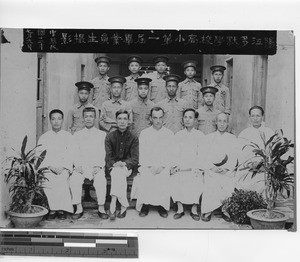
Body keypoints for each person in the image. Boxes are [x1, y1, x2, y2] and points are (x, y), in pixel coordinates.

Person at [131, 107, 173, 218]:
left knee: (163, 177)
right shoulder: (145, 133)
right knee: (146, 175)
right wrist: (150, 166)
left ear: (163, 118)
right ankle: (145, 204)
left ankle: (162, 206)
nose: (158, 121)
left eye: (160, 118)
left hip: (163, 166)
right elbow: (142, 153)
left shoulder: (169, 134)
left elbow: (170, 153)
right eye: (155, 118)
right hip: (148, 165)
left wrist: (162, 166)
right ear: (151, 118)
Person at [69, 107, 108, 220]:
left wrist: (99, 166)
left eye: (91, 116)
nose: (89, 119)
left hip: (96, 166)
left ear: (95, 118)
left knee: (101, 180)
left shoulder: (101, 135)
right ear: (83, 118)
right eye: (86, 116)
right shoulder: (77, 135)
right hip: (82, 166)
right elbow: (74, 152)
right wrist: (77, 166)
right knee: (74, 179)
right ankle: (78, 207)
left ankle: (101, 207)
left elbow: (103, 152)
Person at [200, 112, 239, 222]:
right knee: (211, 181)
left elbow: (234, 156)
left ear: (227, 123)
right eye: (220, 121)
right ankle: (208, 210)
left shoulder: (232, 138)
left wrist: (227, 168)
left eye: (224, 121)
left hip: (226, 170)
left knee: (228, 181)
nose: (222, 124)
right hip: (212, 169)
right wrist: (212, 168)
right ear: (216, 122)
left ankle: (225, 209)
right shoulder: (209, 138)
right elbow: (205, 155)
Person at [38, 109, 74, 220]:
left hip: (63, 168)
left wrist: (63, 167)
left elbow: (71, 154)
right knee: (49, 179)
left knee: (62, 179)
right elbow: (40, 155)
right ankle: (52, 209)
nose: (56, 121)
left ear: (62, 120)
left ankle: (61, 209)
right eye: (53, 119)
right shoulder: (44, 137)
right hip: (48, 168)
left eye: (59, 119)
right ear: (50, 120)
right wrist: (50, 166)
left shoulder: (68, 136)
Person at [170, 108, 205, 221]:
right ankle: (180, 209)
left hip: (194, 167)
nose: (188, 120)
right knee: (175, 178)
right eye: (185, 117)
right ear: (182, 119)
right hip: (181, 167)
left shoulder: (200, 135)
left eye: (190, 117)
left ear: (195, 120)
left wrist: (197, 167)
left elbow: (201, 154)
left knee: (197, 178)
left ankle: (194, 209)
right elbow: (174, 153)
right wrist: (177, 166)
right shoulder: (178, 135)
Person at [105, 110, 139, 220]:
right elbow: (108, 156)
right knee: (117, 172)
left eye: (125, 119)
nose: (122, 121)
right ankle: (123, 205)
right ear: (116, 121)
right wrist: (115, 164)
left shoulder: (134, 137)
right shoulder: (110, 136)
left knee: (119, 172)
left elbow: (135, 158)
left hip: (127, 167)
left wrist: (124, 163)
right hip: (113, 167)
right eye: (120, 119)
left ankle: (113, 206)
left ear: (128, 121)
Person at [236, 106, 274, 193]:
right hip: (248, 167)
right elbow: (240, 154)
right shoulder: (244, 133)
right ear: (249, 117)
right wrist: (249, 164)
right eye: (253, 116)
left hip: (264, 168)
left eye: (258, 116)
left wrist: (263, 165)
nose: (255, 119)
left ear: (262, 117)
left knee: (263, 180)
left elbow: (271, 153)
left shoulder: (269, 132)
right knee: (243, 180)